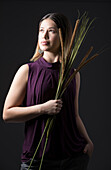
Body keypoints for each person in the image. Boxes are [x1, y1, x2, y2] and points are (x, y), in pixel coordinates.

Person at [3, 13, 94, 170]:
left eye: (51, 31)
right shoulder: (27, 71)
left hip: (74, 159)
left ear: (62, 35)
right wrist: (43, 108)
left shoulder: (74, 74)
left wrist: (89, 142)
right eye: (41, 30)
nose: (44, 35)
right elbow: (7, 114)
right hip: (37, 160)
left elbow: (75, 115)